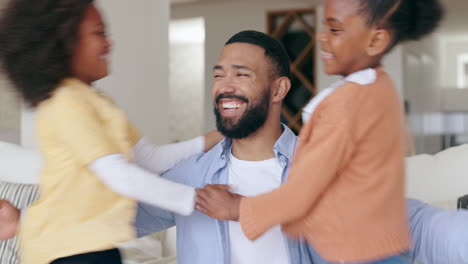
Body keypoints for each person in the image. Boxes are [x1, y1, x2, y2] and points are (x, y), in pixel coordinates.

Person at [196, 1, 444, 263]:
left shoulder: (346, 105)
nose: (321, 36)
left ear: (375, 40)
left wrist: (237, 208)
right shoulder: (382, 89)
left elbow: (302, 194)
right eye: (324, 26)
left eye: (335, 30)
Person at [0, 0, 221, 263]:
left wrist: (220, 135)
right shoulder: (65, 102)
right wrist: (198, 199)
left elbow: (151, 159)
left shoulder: (98, 102)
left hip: (92, 244)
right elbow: (119, 175)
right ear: (65, 44)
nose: (109, 43)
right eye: (98, 33)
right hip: (68, 250)